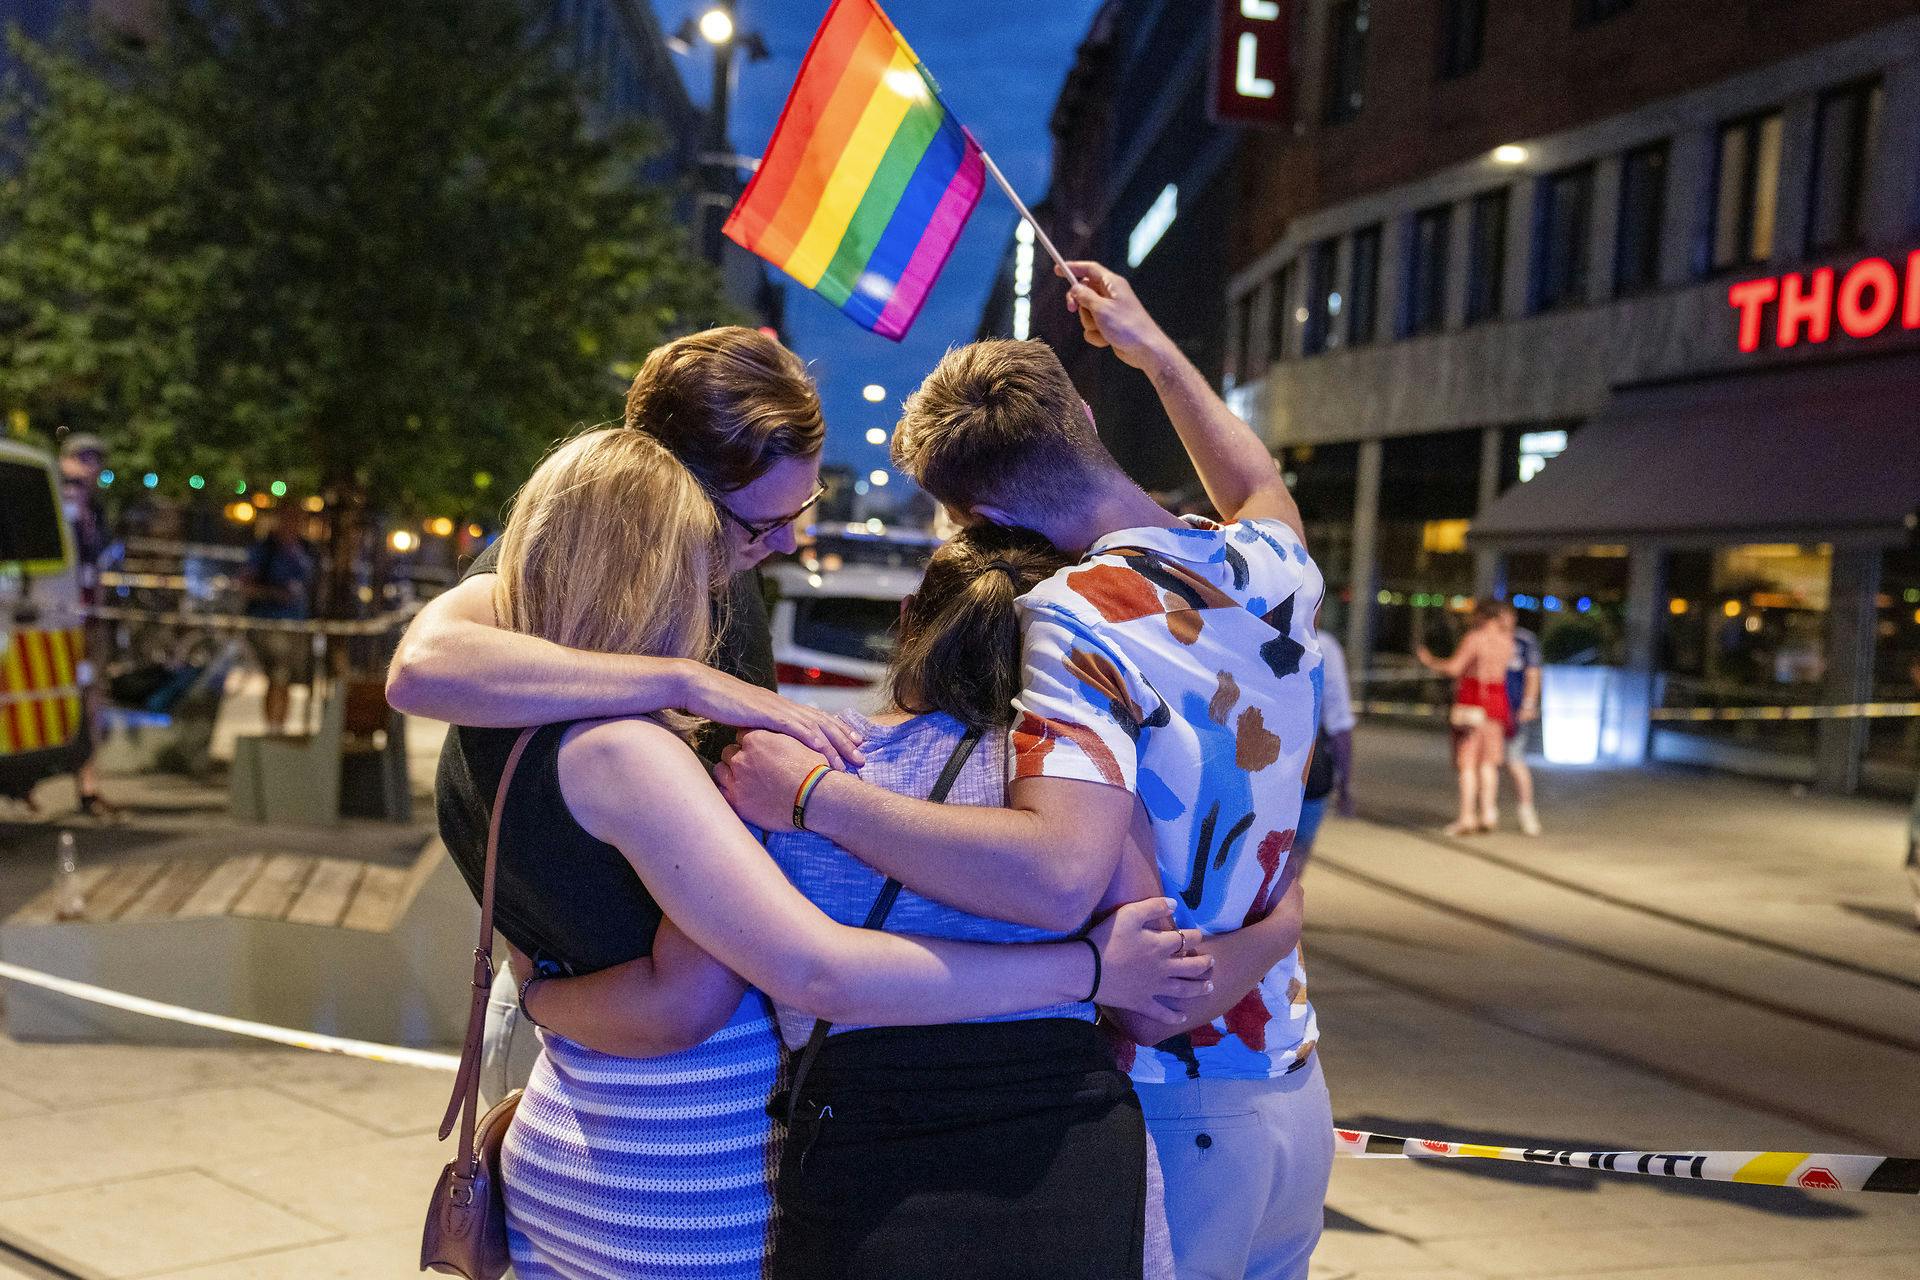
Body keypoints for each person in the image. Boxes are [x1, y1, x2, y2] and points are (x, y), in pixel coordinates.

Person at [437, 428, 1209, 1280]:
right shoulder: (1075, 790)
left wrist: (545, 992)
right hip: (686, 1177)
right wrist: (1095, 971)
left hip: (604, 1143)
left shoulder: (511, 733)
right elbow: (774, 981)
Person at [718, 260, 1334, 1280]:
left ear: (973, 517)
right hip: (1292, 1085)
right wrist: (1149, 345)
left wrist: (820, 797)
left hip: (1177, 1098)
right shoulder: (1268, 562)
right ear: (1084, 411)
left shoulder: (1075, 617)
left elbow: (1055, 865)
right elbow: (1255, 480)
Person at [1415, 600, 1516, 836]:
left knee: (1468, 763)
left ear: (1482, 615)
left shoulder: (1475, 638)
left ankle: (1467, 816)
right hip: (1497, 704)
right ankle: (1489, 812)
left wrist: (1430, 661)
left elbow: (1454, 668)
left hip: (1473, 704)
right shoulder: (1507, 641)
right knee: (1489, 763)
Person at [56, 436, 116, 816]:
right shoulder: (54, 508)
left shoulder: (97, 513)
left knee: (90, 701)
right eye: (81, 459)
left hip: (88, 620)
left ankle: (87, 786)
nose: (88, 468)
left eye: (94, 460)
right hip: (54, 620)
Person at [238, 509, 314, 735]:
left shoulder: (306, 549)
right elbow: (246, 584)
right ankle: (273, 727)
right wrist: (275, 593)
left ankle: (279, 726)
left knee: (286, 679)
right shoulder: (265, 549)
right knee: (278, 677)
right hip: (270, 622)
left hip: (298, 623)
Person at [1295, 626, 1357, 861]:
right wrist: (1346, 784)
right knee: (1293, 863)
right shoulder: (1324, 645)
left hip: (1252, 771)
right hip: (1309, 770)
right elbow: (1339, 724)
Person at [1501, 603, 1544, 837]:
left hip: (1514, 710)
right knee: (1487, 763)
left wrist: (1529, 704)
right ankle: (1486, 811)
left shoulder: (1524, 641)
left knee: (1514, 760)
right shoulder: (1486, 638)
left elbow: (1533, 673)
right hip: (1490, 710)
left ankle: (1526, 811)